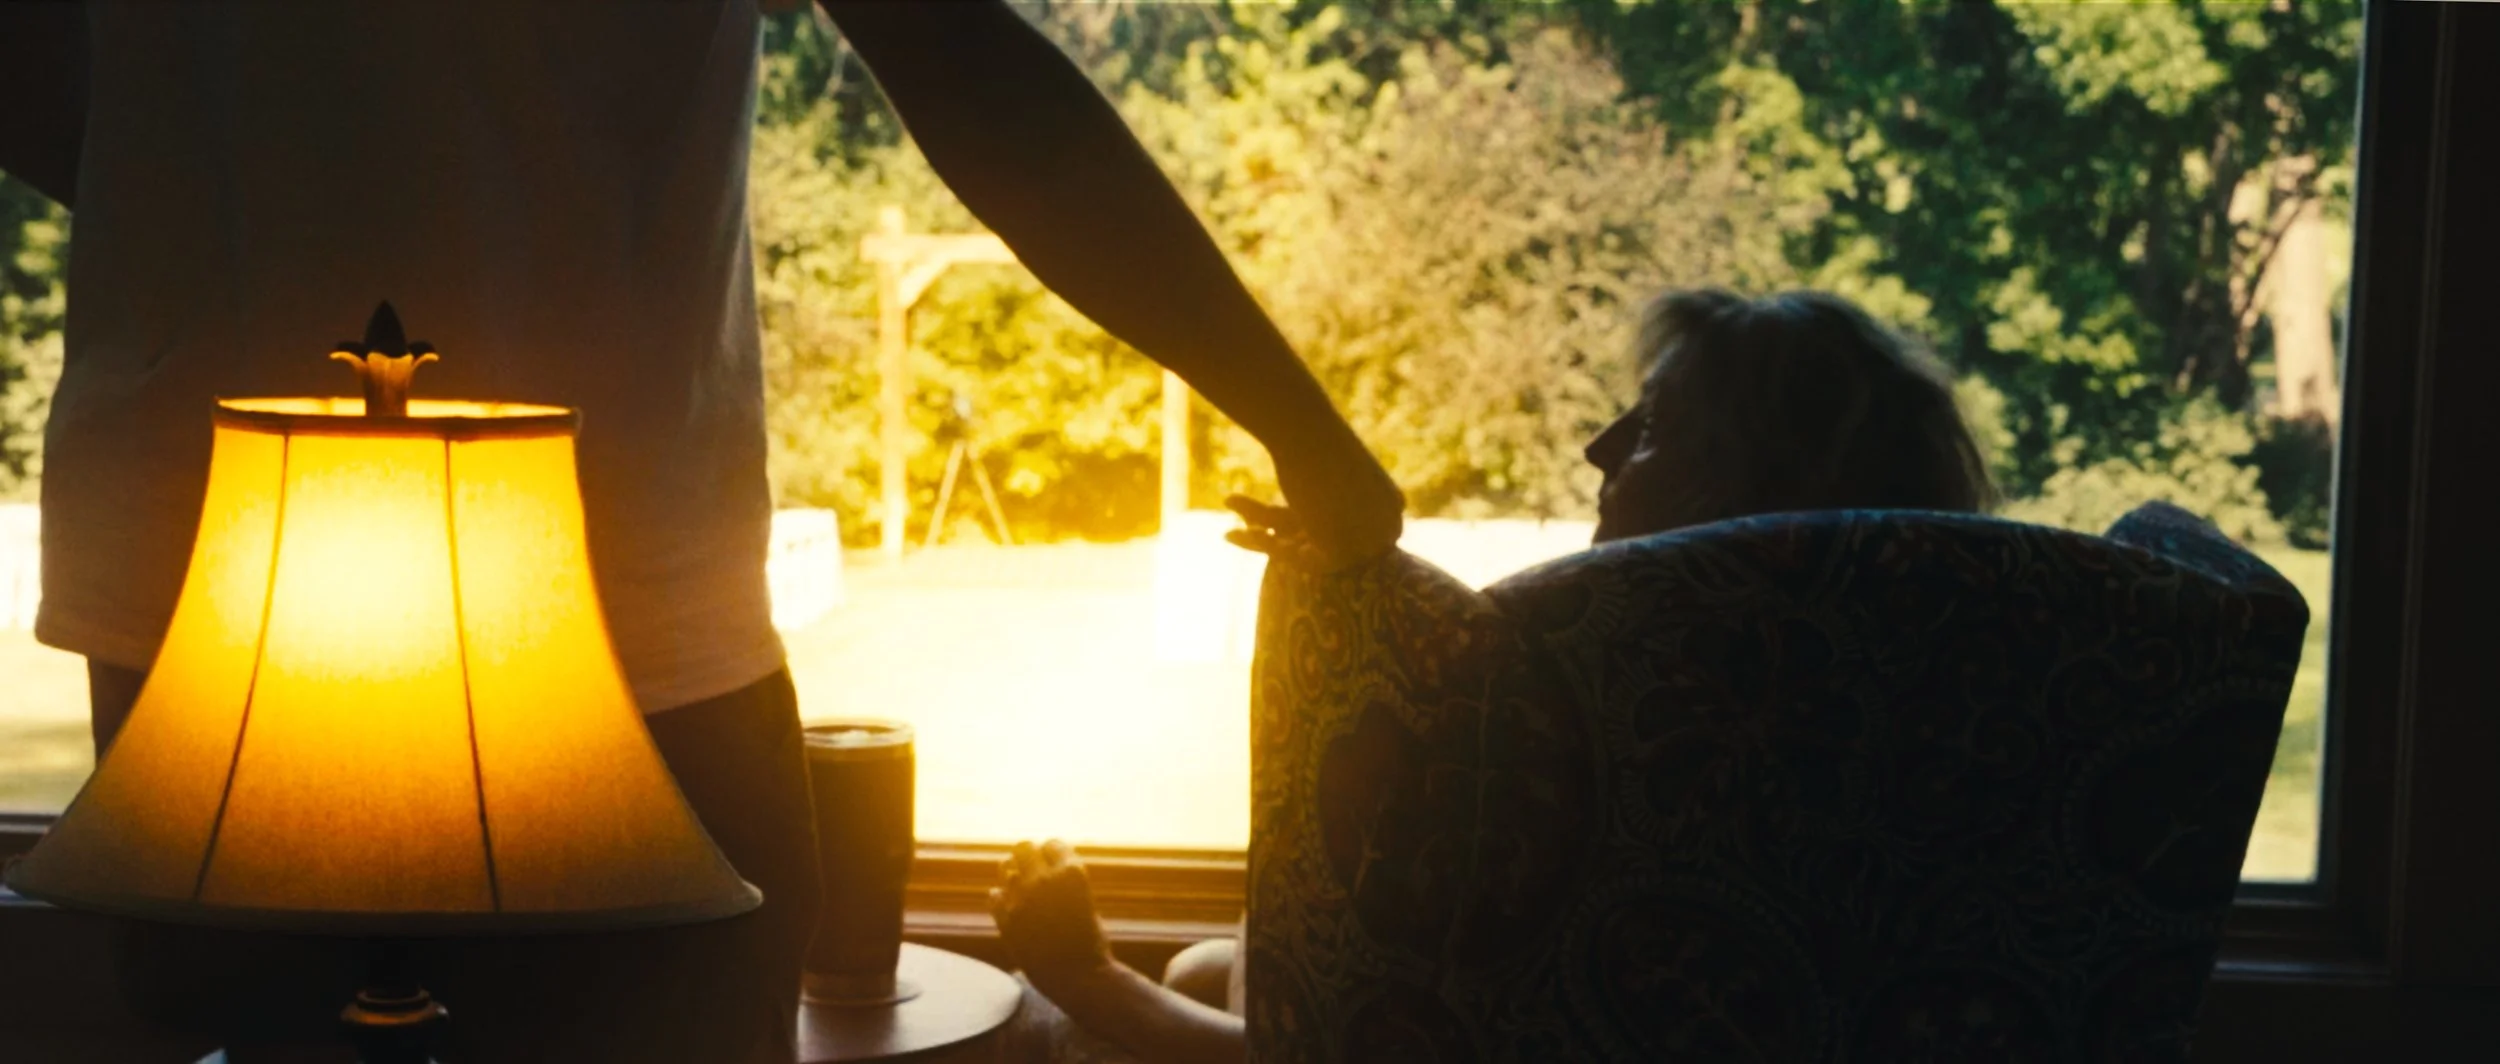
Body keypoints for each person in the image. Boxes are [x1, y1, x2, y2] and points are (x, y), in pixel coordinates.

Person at [0, 2, 1401, 1062]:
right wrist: (1306, 432)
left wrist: (227, 181)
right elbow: (968, 66)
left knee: (264, 1013)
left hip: (215, 537)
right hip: (592, 571)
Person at [990, 287, 1995, 1064]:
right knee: (1213, 962)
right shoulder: (1921, 735)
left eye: (1649, 429)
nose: (1596, 447)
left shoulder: (1633, 777)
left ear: (1757, 499)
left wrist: (1088, 977)